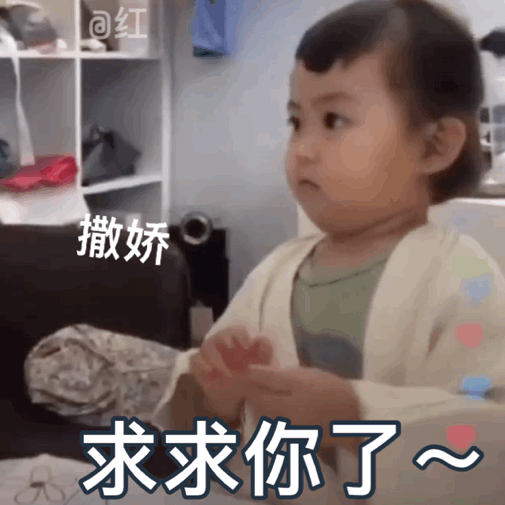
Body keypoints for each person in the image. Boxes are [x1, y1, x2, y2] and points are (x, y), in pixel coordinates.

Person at [25, 0, 505, 503]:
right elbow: (211, 425)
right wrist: (217, 397)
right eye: (297, 122)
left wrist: (354, 413)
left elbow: (486, 436)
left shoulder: (464, 279)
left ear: (433, 146)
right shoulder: (277, 272)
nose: (303, 148)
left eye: (334, 120)